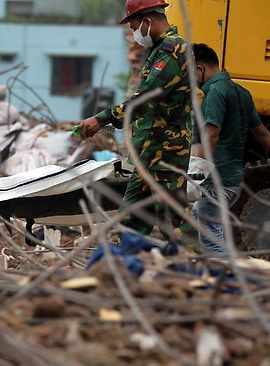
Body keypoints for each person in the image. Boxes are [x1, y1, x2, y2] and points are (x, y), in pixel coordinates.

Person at [76, 0, 194, 244]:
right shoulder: (161, 49)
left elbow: (145, 99)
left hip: (166, 154)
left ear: (147, 21)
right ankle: (129, 270)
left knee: (176, 225)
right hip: (149, 153)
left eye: (133, 26)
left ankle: (197, 271)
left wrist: (102, 118)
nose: (134, 33)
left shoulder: (173, 50)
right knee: (130, 221)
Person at [191, 43, 270, 253]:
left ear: (199, 69)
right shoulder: (242, 92)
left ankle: (231, 278)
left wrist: (196, 174)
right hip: (234, 181)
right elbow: (262, 134)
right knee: (204, 218)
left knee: (212, 241)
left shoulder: (214, 92)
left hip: (217, 179)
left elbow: (211, 136)